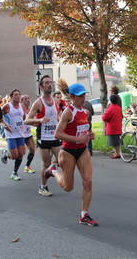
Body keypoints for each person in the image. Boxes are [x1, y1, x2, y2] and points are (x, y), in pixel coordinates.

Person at [47, 79, 97, 226]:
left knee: (88, 182)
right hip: (68, 151)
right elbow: (57, 134)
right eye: (80, 96)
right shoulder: (68, 112)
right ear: (72, 97)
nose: (83, 98)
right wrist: (78, 138)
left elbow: (84, 129)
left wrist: (89, 135)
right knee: (68, 187)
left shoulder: (85, 111)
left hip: (82, 150)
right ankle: (53, 171)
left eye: (84, 95)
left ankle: (84, 215)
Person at [24, 75, 62, 197]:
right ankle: (43, 187)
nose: (49, 84)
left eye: (51, 82)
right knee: (45, 164)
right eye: (46, 82)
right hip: (44, 137)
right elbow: (27, 120)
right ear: (41, 86)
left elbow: (59, 117)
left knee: (62, 161)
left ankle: (52, 168)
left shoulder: (56, 101)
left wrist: (62, 123)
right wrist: (39, 120)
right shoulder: (38, 103)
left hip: (55, 136)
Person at [1, 89, 26, 181]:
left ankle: (14, 172)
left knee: (21, 154)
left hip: (20, 134)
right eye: (15, 95)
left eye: (19, 94)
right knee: (14, 156)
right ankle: (6, 154)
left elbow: (24, 118)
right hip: (11, 134)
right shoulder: (7, 106)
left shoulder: (21, 106)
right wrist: (4, 125)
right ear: (11, 97)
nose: (18, 96)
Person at [102, 95, 122, 159]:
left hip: (112, 127)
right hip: (118, 126)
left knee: (114, 142)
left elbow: (104, 117)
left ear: (110, 101)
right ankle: (116, 152)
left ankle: (117, 152)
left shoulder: (110, 108)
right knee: (117, 140)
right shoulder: (118, 107)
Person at [20, 94, 36, 174]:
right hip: (20, 134)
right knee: (19, 153)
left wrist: (37, 124)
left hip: (28, 133)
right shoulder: (19, 109)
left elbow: (30, 122)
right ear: (21, 101)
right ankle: (7, 155)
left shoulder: (30, 110)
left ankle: (27, 166)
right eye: (25, 99)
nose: (28, 100)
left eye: (28, 98)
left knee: (32, 150)